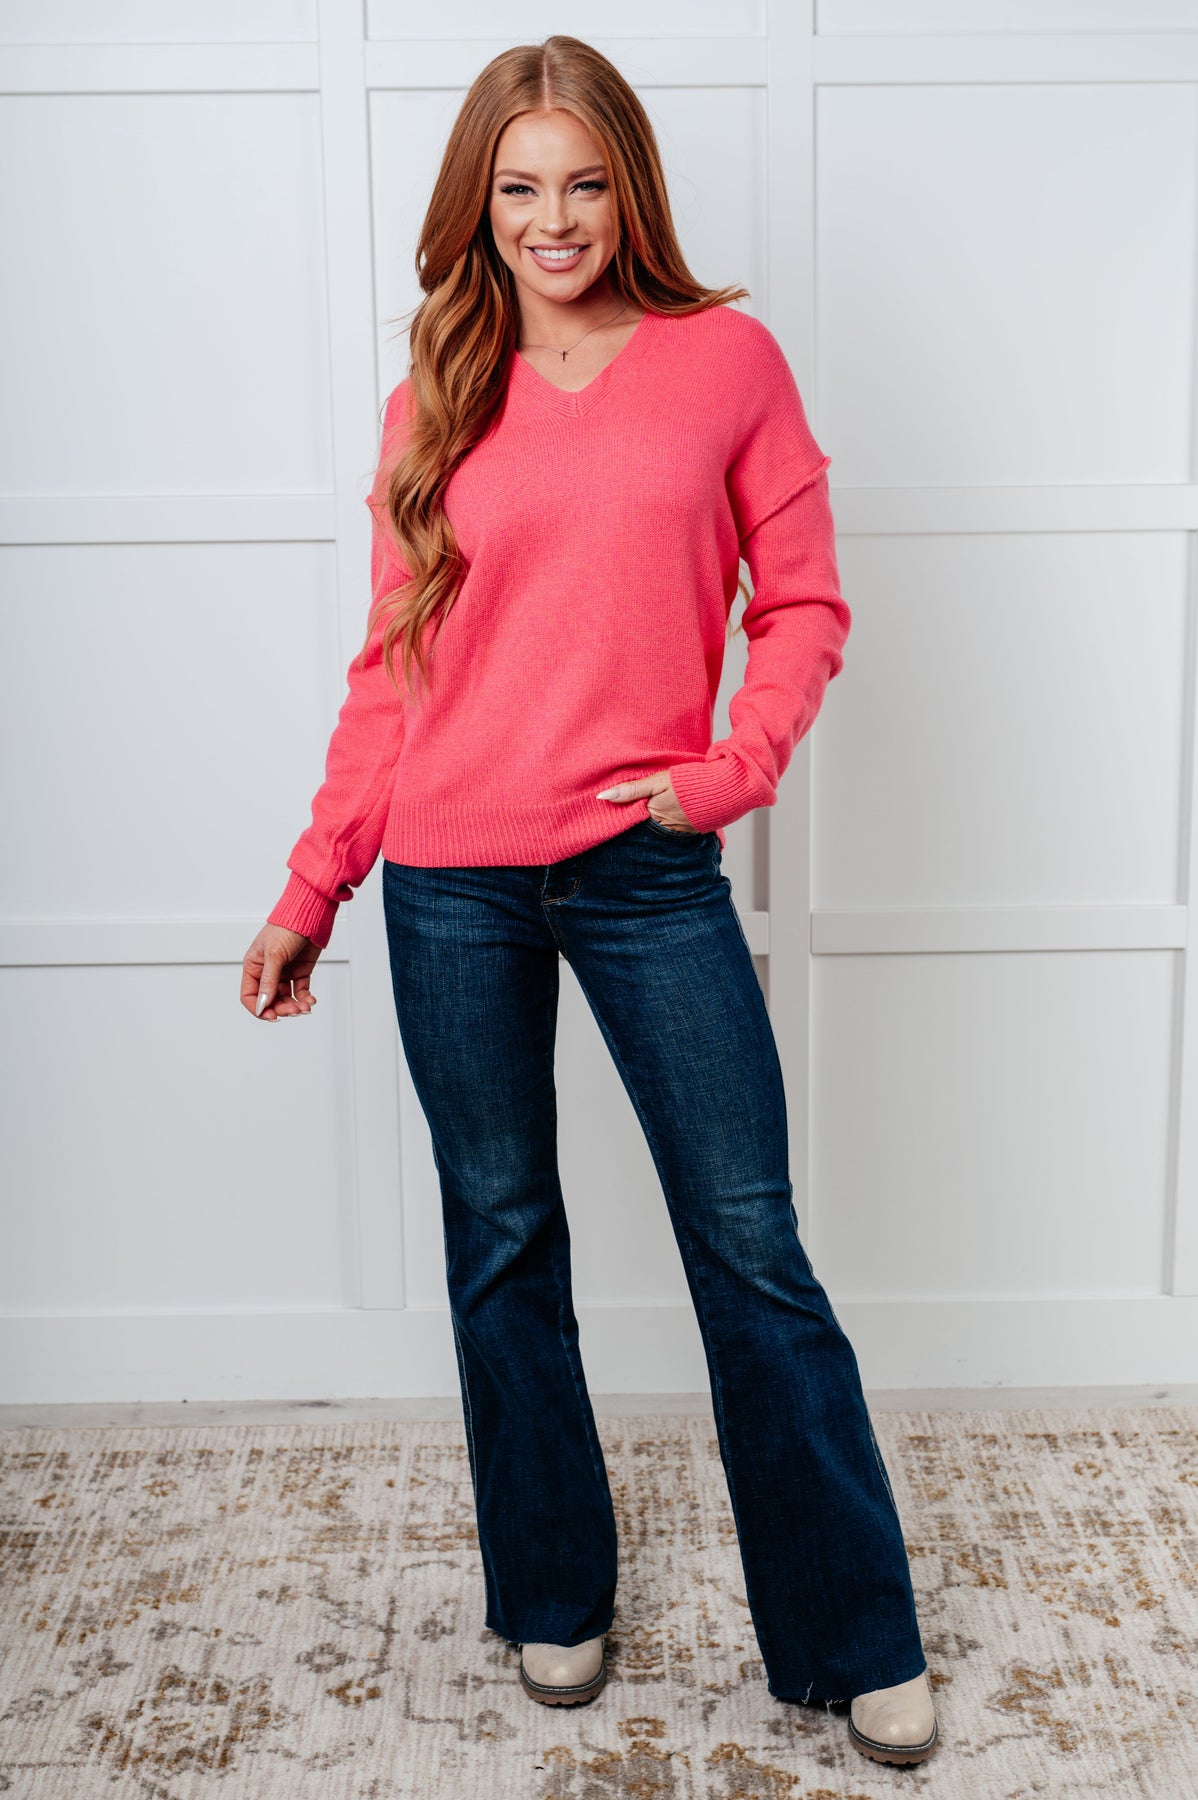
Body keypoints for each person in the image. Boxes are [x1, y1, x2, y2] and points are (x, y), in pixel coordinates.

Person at [240, 33, 939, 1770]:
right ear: (477, 201)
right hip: (448, 881)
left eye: (582, 184)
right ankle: (552, 1592)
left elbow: (802, 601)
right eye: (517, 187)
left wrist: (730, 769)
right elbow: (391, 672)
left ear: (629, 190)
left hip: (644, 869)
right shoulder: (437, 389)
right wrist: (316, 881)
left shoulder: (724, 363)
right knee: (500, 1242)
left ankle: (849, 1635)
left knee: (748, 1243)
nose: (551, 219)